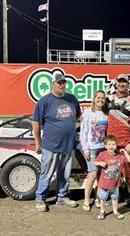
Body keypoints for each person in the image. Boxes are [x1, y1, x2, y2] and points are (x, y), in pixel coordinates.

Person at [32, 73, 81, 212]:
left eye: (63, 82)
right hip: (51, 146)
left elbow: (78, 117)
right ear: (53, 83)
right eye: (59, 82)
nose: (61, 85)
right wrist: (38, 142)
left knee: (65, 174)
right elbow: (35, 123)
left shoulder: (72, 99)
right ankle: (40, 198)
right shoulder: (44, 101)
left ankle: (62, 197)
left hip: (68, 145)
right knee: (46, 173)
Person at [106, 74, 130, 208]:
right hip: (111, 144)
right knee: (112, 172)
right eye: (119, 82)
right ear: (115, 84)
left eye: (124, 82)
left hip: (126, 144)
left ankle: (129, 198)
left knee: (128, 173)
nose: (122, 84)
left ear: (128, 85)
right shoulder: (108, 99)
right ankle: (113, 197)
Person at [79, 90, 108, 211]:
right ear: (94, 99)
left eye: (103, 98)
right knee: (92, 174)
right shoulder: (87, 113)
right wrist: (85, 149)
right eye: (98, 98)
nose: (100, 100)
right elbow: (83, 132)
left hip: (102, 148)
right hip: (91, 149)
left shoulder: (106, 114)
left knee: (101, 176)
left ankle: (97, 198)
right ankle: (86, 199)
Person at [94, 135, 130, 220]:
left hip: (115, 183)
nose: (111, 146)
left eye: (113, 144)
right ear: (105, 146)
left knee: (115, 197)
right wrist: (100, 163)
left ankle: (115, 211)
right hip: (104, 183)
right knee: (103, 198)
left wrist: (125, 152)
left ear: (116, 145)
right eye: (109, 144)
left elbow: (129, 160)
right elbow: (95, 162)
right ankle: (102, 211)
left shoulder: (120, 157)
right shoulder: (102, 154)